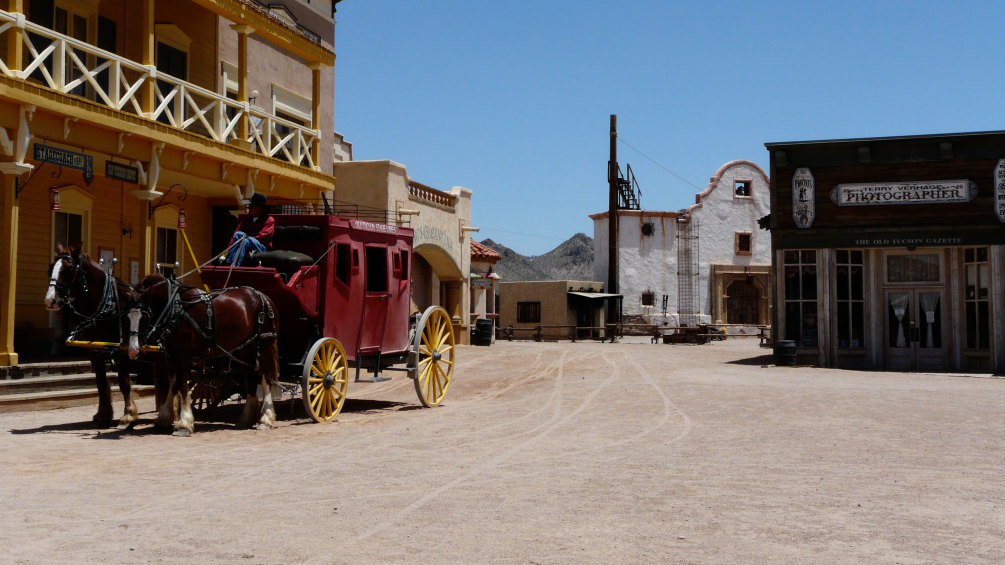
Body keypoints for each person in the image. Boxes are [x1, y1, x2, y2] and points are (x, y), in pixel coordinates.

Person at [225, 192, 275, 265]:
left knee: (245, 241)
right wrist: (229, 247)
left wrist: (247, 237)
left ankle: (235, 265)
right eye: (249, 206)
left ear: (260, 208)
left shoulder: (269, 220)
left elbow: (264, 236)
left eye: (252, 206)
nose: (249, 208)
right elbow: (236, 234)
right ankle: (228, 261)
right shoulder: (246, 219)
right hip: (246, 240)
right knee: (238, 234)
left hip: (261, 247)